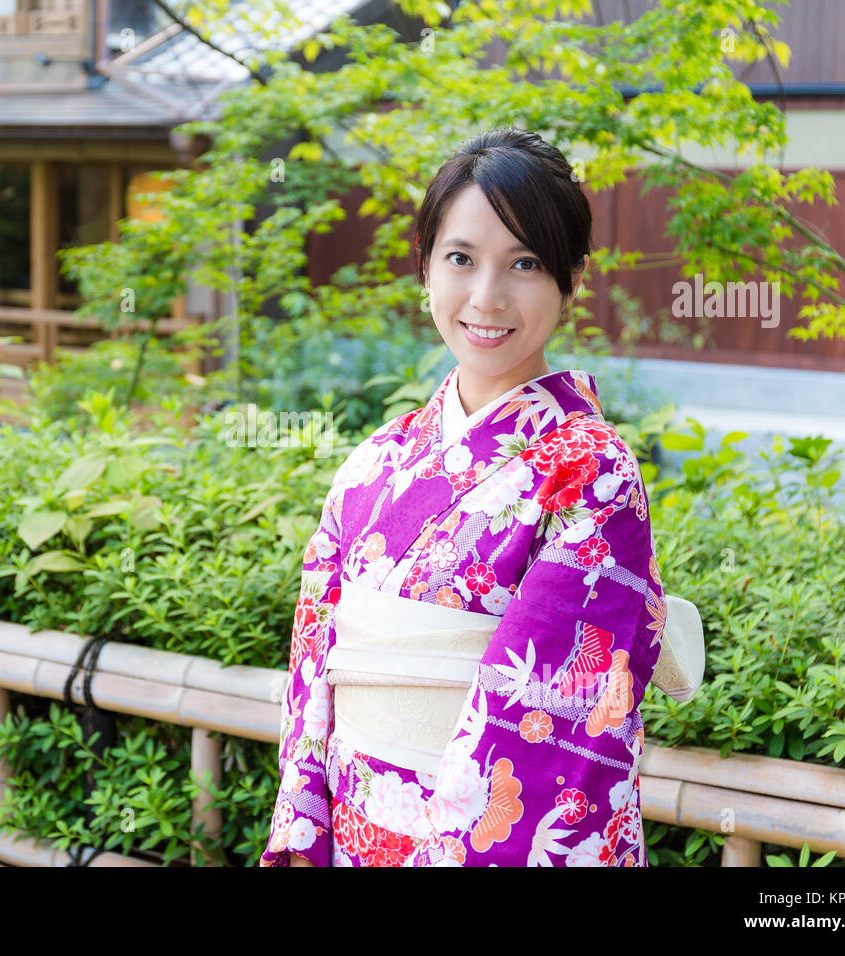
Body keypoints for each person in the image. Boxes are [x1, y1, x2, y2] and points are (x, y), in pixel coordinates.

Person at [260, 128, 672, 867]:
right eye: (461, 259)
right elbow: (312, 668)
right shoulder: (374, 461)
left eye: (526, 263)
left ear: (573, 277)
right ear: (424, 265)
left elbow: (559, 717)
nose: (487, 297)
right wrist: (303, 831)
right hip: (353, 835)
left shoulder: (591, 472)